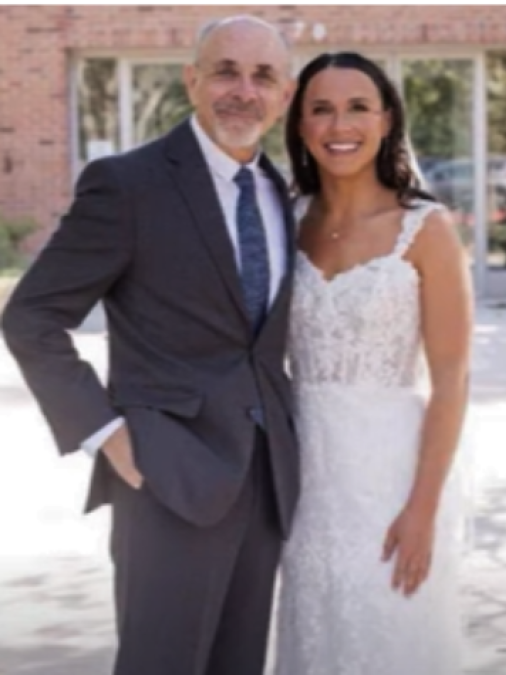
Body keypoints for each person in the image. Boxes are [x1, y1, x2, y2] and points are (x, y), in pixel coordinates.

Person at [1, 16, 299, 675]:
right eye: (225, 71)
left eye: (262, 76)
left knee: (239, 663)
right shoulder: (128, 184)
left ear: (283, 94)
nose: (242, 90)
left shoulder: (285, 193)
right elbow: (31, 317)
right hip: (167, 471)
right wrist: (107, 430)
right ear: (192, 80)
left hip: (266, 476)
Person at [272, 52, 473, 673]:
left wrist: (422, 509)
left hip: (390, 474)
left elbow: (451, 383)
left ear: (386, 119)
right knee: (315, 631)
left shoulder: (427, 229)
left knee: (389, 632)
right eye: (322, 109)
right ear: (301, 125)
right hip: (299, 475)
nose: (341, 124)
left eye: (358, 107)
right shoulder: (281, 220)